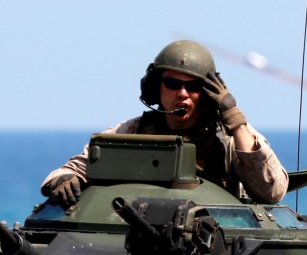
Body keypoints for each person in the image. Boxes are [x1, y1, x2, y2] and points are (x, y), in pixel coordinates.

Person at [41, 40, 289, 206]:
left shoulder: (230, 137)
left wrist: (235, 119)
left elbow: (272, 192)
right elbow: (73, 169)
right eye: (172, 84)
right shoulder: (132, 132)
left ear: (207, 93)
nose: (182, 94)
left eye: (193, 86)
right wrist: (64, 180)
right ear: (155, 88)